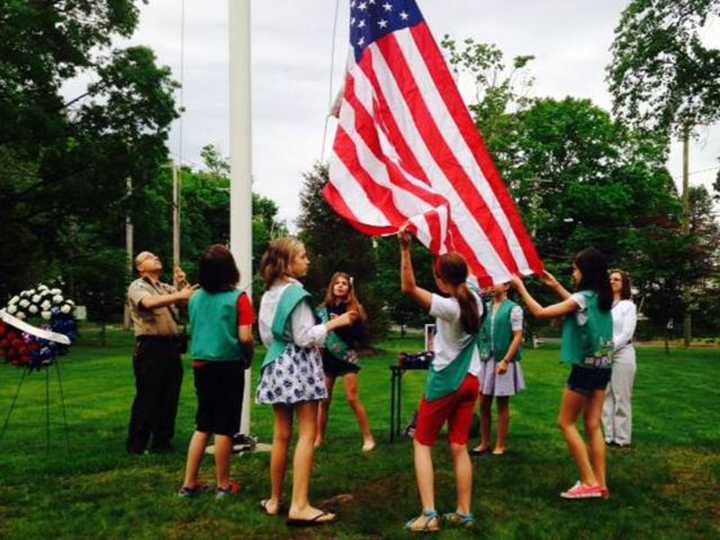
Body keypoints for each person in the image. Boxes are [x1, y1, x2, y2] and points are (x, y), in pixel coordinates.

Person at [256, 238, 358, 526]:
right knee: (307, 432)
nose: (308, 260)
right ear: (287, 265)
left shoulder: (268, 295)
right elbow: (304, 337)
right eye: (302, 256)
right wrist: (333, 324)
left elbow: (267, 337)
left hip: (276, 363)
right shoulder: (296, 294)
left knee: (280, 435)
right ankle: (300, 505)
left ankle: (275, 500)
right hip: (299, 364)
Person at [510, 248, 613, 499]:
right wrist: (555, 285)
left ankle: (588, 482)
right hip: (603, 366)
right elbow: (579, 306)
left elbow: (540, 313)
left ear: (586, 272)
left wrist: (520, 287)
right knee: (593, 424)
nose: (573, 273)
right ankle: (601, 484)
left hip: (584, 369)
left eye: (576, 269)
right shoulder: (601, 297)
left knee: (566, 423)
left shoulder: (583, 297)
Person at [399, 229, 483, 532]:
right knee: (459, 445)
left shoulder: (450, 307)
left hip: (446, 381)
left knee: (422, 443)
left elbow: (408, 287)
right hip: (471, 380)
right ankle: (463, 512)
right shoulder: (476, 297)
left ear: (440, 280)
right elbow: (464, 270)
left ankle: (430, 515)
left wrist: (406, 249)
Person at [178, 245, 255, 499]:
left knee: (203, 425)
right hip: (228, 365)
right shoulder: (239, 298)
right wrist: (248, 355)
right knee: (224, 427)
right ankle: (223, 486)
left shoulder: (194, 298)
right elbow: (245, 336)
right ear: (230, 269)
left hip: (202, 365)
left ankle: (189, 484)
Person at [126, 251, 194, 454]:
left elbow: (184, 303)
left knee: (169, 396)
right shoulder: (138, 286)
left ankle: (162, 442)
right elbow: (148, 303)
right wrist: (179, 294)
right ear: (140, 267)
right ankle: (137, 444)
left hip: (171, 347)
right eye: (149, 257)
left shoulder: (165, 287)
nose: (156, 257)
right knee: (148, 395)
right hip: (150, 346)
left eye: (157, 256)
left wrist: (182, 285)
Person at [314, 272, 376, 452]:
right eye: (337, 283)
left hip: (347, 357)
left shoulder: (355, 309)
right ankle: (319, 438)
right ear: (331, 287)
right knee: (323, 400)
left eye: (344, 284)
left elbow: (362, 338)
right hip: (328, 359)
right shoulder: (322, 309)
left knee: (352, 397)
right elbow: (316, 332)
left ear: (350, 288)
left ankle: (368, 437)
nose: (340, 286)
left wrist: (348, 323)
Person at [472, 281, 525, 456]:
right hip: (487, 359)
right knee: (484, 402)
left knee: (502, 403)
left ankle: (500, 445)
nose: (491, 286)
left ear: (507, 286)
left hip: (504, 359)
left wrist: (506, 361)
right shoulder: (485, 307)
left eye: (496, 282)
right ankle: (484, 442)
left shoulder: (514, 309)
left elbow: (518, 336)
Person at [603, 269, 637, 448]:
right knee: (605, 394)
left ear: (623, 284)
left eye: (616, 279)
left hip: (623, 353)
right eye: (610, 279)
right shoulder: (605, 304)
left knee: (621, 395)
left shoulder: (628, 306)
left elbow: (626, 333)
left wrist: (609, 347)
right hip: (604, 351)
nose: (612, 281)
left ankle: (622, 438)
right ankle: (608, 436)